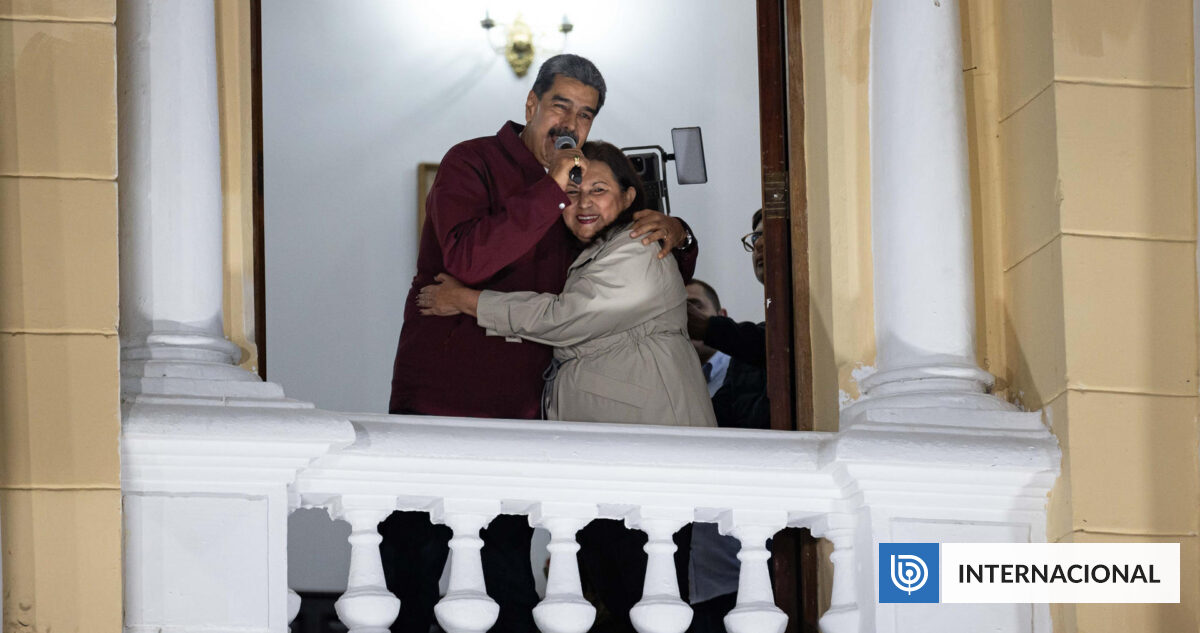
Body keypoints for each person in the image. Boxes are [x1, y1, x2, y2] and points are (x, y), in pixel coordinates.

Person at [383, 54, 698, 633]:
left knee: (508, 584)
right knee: (409, 577)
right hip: (441, 403)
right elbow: (466, 258)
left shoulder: (580, 187)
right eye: (560, 105)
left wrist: (678, 234)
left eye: (586, 114)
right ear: (531, 105)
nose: (571, 123)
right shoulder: (472, 161)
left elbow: (628, 269)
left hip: (522, 414)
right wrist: (550, 188)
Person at [417, 140, 716, 429]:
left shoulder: (639, 245)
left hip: (654, 436)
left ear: (628, 197)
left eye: (598, 190)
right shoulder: (590, 249)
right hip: (623, 433)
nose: (583, 203)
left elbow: (563, 317)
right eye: (572, 192)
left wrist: (464, 300)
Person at [683, 214, 772, 633]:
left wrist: (710, 329)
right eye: (756, 236)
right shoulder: (671, 382)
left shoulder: (766, 348)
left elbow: (775, 344)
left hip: (760, 550)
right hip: (699, 571)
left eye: (770, 233)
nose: (761, 244)